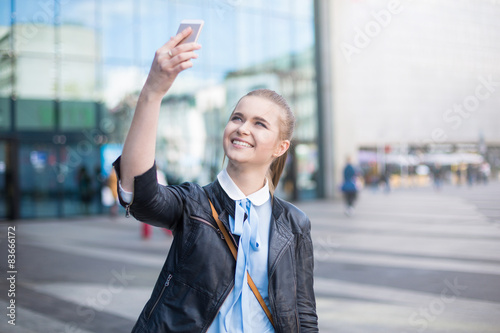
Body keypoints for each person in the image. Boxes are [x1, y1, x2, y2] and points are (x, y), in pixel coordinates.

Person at [112, 27, 318, 332]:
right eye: (237, 117)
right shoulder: (193, 203)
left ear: (280, 147)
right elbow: (140, 196)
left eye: (259, 123)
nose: (242, 128)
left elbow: (304, 312)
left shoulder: (294, 223)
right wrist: (153, 91)